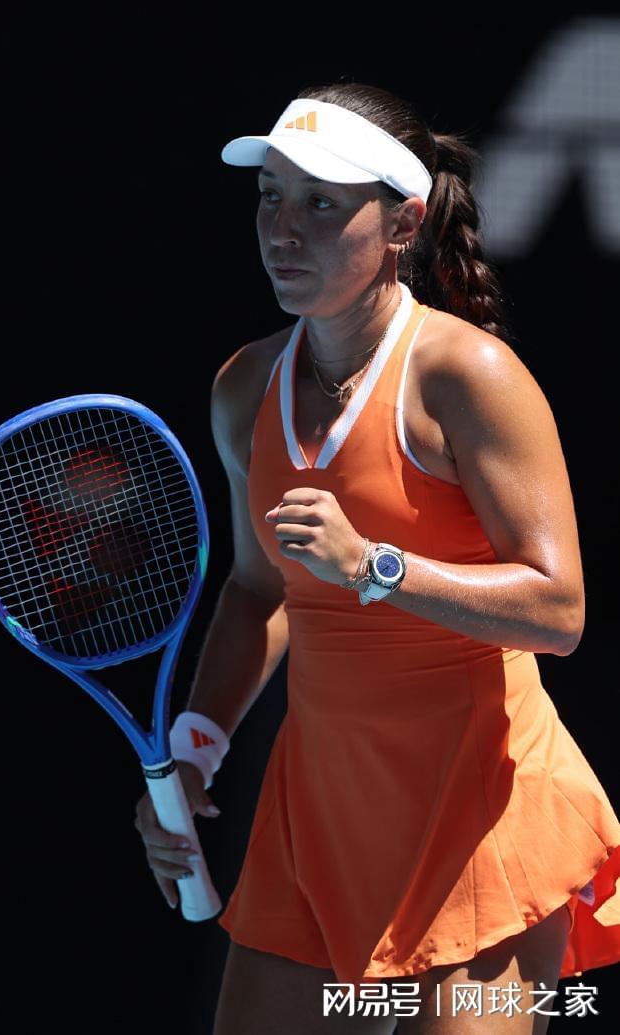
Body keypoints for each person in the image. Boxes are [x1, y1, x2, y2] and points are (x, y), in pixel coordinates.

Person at [134, 83, 620, 1034]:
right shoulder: (244, 387)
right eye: (270, 196)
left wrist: (375, 566)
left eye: (321, 203)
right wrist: (194, 753)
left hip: (481, 815)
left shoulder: (469, 375)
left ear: (403, 222)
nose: (283, 229)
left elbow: (558, 610)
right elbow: (259, 587)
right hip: (320, 821)